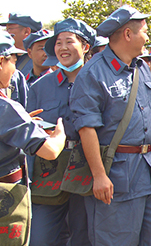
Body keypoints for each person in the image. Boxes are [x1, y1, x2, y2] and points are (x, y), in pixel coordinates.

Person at [69, 6, 151, 246]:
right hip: (116, 177)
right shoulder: (93, 74)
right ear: (128, 34)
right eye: (145, 31)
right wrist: (98, 176)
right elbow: (87, 129)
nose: (148, 37)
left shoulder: (141, 68)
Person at [27, 18, 96, 246]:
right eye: (58, 43)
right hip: (49, 170)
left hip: (87, 167)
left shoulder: (98, 83)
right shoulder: (39, 87)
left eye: (69, 41)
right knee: (41, 237)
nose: (63, 48)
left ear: (85, 47)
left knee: (83, 235)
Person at [0, 31, 67, 243]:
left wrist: (21, 122)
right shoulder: (5, 107)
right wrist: (59, 135)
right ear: (1, 61)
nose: (15, 68)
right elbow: (50, 151)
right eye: (14, 60)